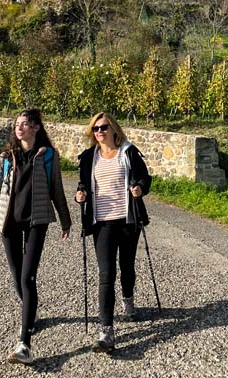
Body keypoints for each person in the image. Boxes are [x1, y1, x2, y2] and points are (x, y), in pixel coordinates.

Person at [0, 108, 72, 365]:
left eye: (25, 124)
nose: (19, 127)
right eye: (17, 124)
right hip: (8, 224)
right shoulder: (6, 157)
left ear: (36, 128)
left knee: (28, 277)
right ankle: (30, 314)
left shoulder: (49, 156)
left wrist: (66, 221)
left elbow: (57, 190)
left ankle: (25, 343)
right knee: (17, 276)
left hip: (36, 223)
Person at [76, 111, 151, 353]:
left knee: (127, 267)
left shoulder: (128, 152)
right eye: (95, 129)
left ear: (114, 129)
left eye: (104, 127)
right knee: (106, 274)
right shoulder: (89, 157)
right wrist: (81, 194)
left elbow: (144, 177)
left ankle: (128, 300)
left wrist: (139, 187)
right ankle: (106, 331)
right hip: (102, 223)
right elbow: (83, 183)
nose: (99, 132)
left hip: (128, 220)